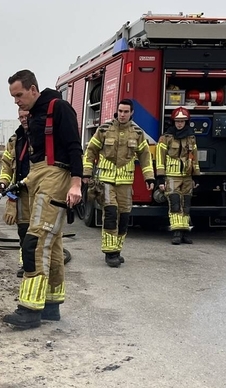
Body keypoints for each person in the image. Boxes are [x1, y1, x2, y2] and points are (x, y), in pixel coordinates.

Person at [2, 69, 83, 329]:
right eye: (13, 97)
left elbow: (74, 146)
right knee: (54, 244)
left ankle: (29, 309)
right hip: (38, 175)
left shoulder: (59, 108)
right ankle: (50, 304)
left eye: (19, 95)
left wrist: (76, 184)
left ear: (33, 89)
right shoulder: (34, 116)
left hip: (56, 174)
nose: (16, 101)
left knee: (35, 241)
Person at [82, 99, 156, 266]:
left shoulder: (137, 133)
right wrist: (86, 173)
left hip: (125, 183)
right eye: (120, 111)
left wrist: (149, 178)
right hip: (105, 181)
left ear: (131, 113)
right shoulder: (104, 130)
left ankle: (117, 249)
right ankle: (110, 253)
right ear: (117, 111)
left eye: (126, 112)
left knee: (124, 217)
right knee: (110, 214)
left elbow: (145, 157)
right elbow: (90, 152)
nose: (122, 115)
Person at [155, 107, 200, 245]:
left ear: (186, 122)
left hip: (187, 176)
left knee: (186, 205)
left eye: (182, 121)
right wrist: (160, 179)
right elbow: (159, 158)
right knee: (175, 204)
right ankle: (176, 233)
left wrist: (196, 176)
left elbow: (194, 157)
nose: (180, 124)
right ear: (173, 121)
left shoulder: (191, 138)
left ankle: (185, 233)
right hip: (171, 176)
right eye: (177, 121)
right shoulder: (166, 137)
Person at [0, 107, 31, 278]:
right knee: (23, 230)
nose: (24, 119)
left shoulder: (41, 136)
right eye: (21, 117)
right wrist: (3, 182)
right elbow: (6, 167)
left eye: (27, 116)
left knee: (41, 229)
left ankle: (40, 263)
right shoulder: (14, 140)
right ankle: (26, 263)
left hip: (41, 192)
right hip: (21, 193)